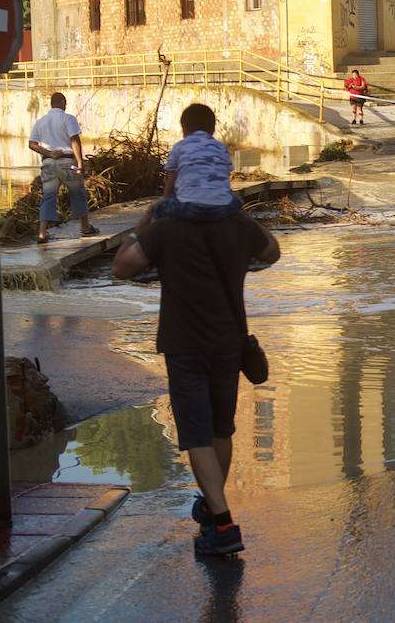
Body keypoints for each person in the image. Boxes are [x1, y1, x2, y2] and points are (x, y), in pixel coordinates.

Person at [111, 202, 281, 556]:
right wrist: (238, 212)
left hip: (184, 344)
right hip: (229, 342)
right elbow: (272, 251)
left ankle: (222, 524)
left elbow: (122, 267)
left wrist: (143, 222)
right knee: (221, 429)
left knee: (196, 434)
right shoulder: (237, 224)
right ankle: (210, 506)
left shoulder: (165, 228)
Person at [153, 103, 242, 221]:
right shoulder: (221, 147)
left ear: (183, 129)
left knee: (154, 209)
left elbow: (171, 181)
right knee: (238, 202)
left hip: (188, 207)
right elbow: (225, 178)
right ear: (213, 129)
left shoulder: (179, 147)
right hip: (221, 208)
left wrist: (165, 200)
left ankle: (134, 238)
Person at [28, 92, 95, 243]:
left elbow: (32, 144)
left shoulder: (41, 122)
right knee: (78, 193)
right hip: (67, 162)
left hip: (49, 163)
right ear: (63, 102)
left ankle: (42, 233)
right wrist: (80, 163)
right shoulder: (68, 118)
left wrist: (49, 153)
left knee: (48, 197)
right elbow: (75, 140)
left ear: (51, 104)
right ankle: (85, 227)